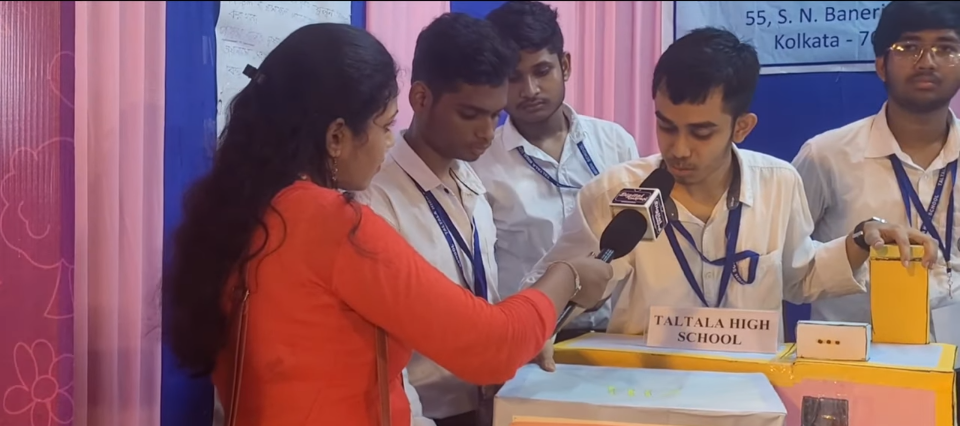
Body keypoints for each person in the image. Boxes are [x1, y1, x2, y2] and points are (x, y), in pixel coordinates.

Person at [163, 23, 614, 426]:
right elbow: (491, 346)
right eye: (384, 126)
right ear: (336, 137)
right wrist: (567, 276)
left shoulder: (249, 205)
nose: (387, 143)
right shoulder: (329, 221)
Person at [525, 27, 939, 370]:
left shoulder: (779, 183)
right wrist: (553, 310)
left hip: (754, 395)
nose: (679, 149)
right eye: (667, 126)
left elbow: (799, 276)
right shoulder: (614, 193)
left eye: (701, 132)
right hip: (645, 393)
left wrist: (862, 239)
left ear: (742, 127)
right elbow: (555, 290)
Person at [791, 3, 960, 418]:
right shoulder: (827, 155)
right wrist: (854, 247)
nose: (927, 61)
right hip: (853, 376)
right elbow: (785, 271)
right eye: (909, 47)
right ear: (881, 64)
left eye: (945, 48)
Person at [354, 12, 518, 426]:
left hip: (489, 401)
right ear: (421, 98)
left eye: (496, 115)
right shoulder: (374, 199)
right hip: (422, 413)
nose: (487, 132)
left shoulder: (470, 180)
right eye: (470, 114)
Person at [477, 1, 641, 344]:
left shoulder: (615, 142)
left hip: (614, 337)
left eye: (541, 71)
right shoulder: (480, 163)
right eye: (513, 78)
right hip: (529, 340)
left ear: (564, 65)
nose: (530, 90)